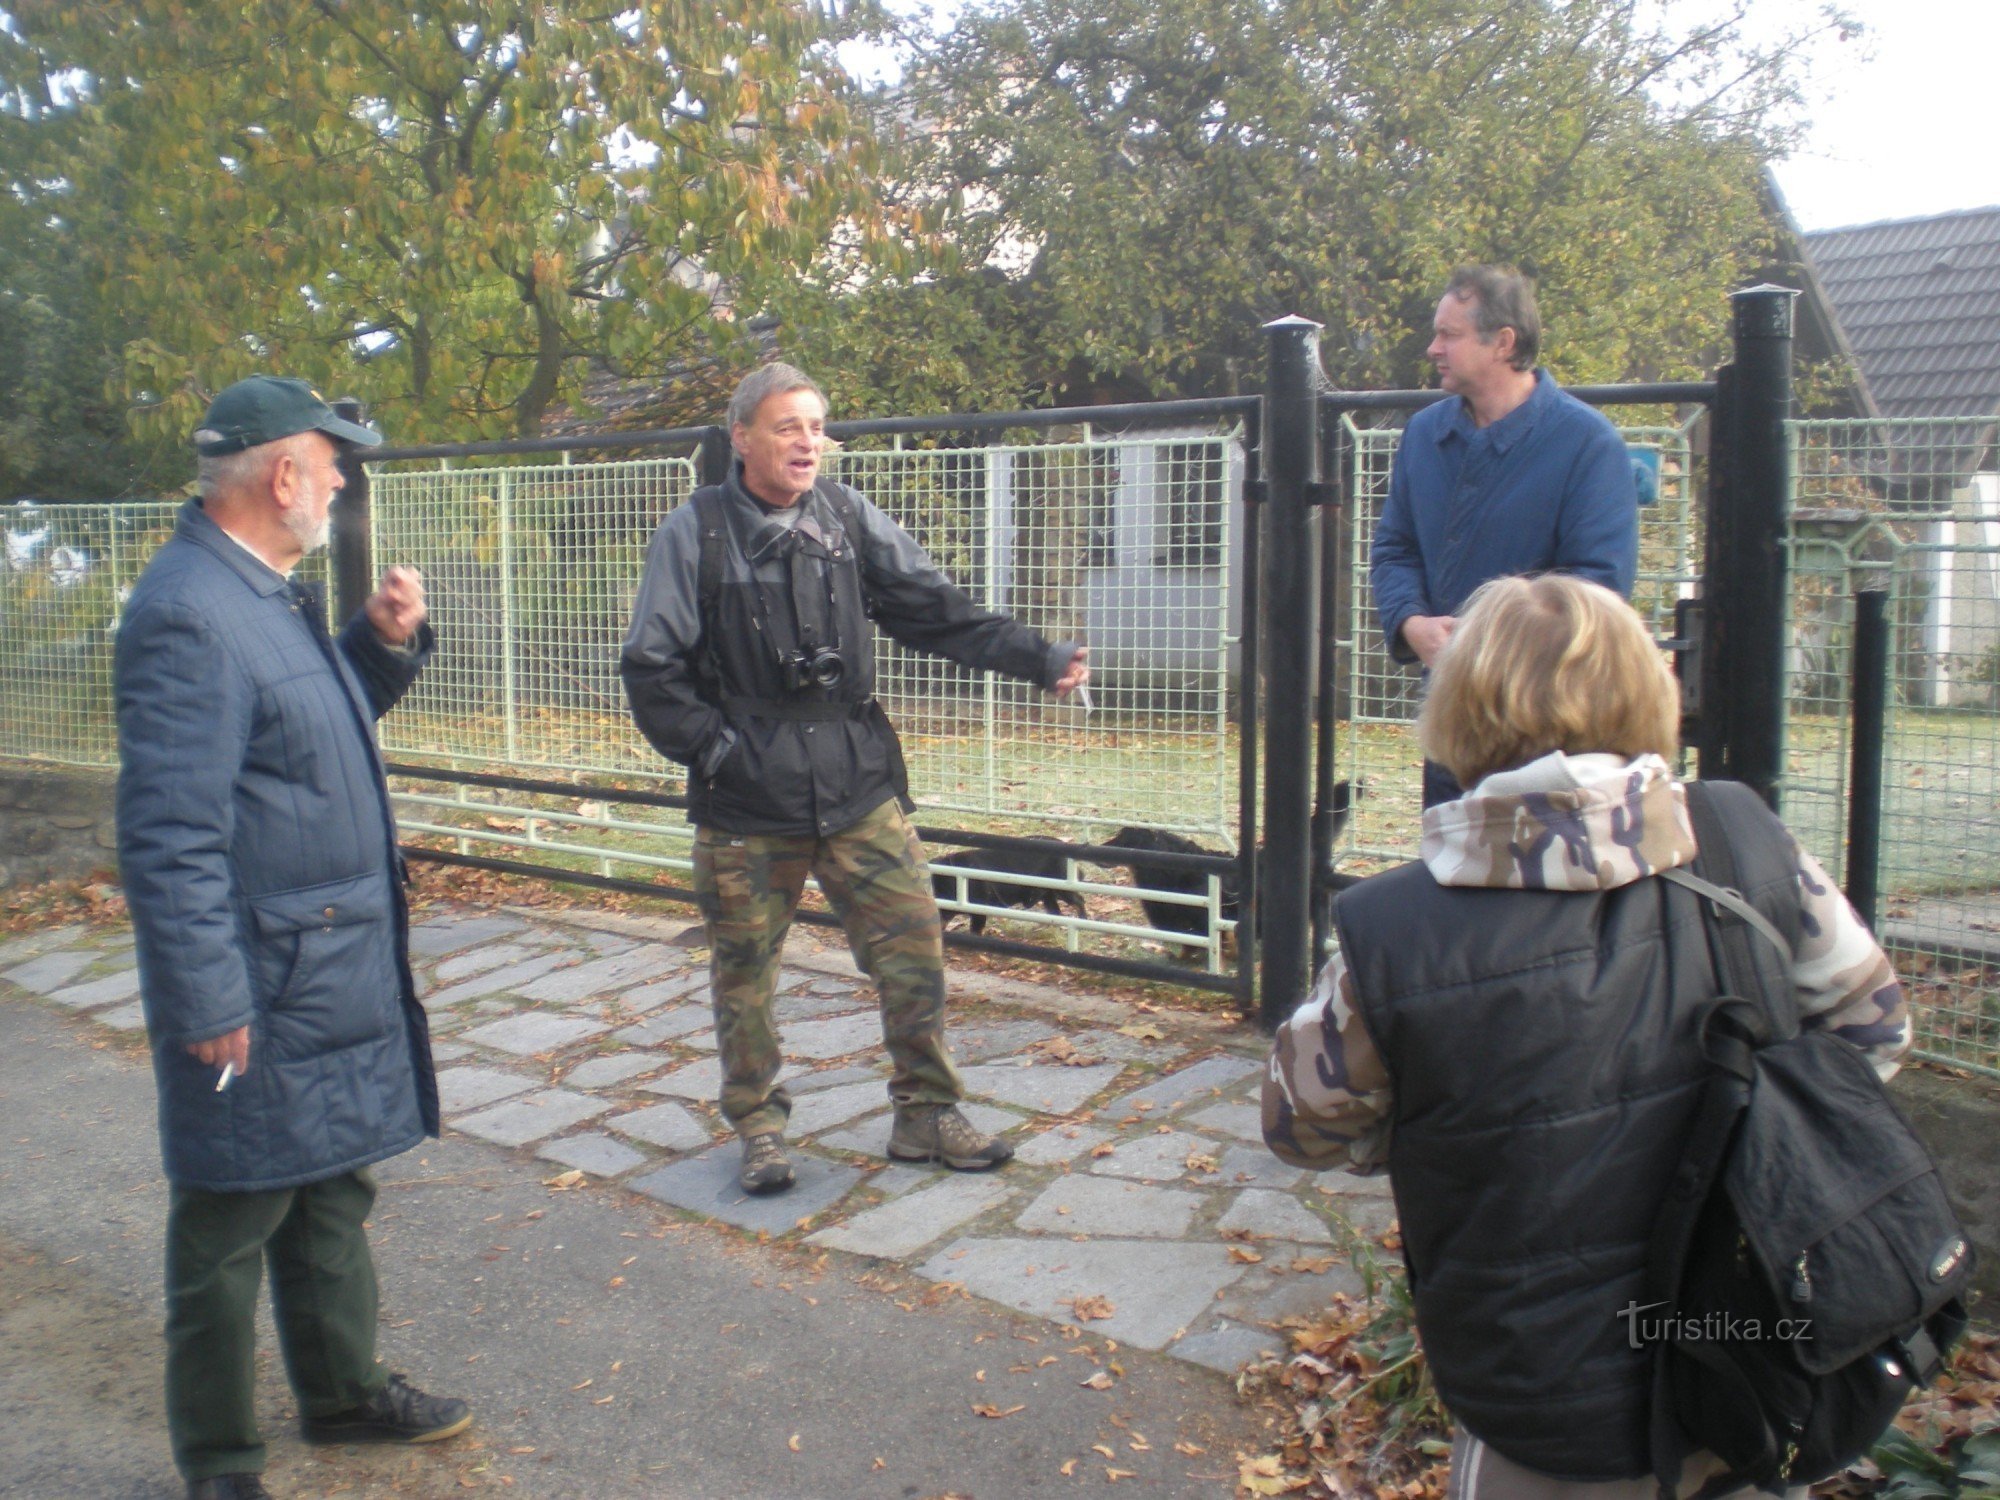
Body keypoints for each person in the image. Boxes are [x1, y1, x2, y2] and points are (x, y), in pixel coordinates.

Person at [1262, 574, 1909, 1500]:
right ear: (1648, 690)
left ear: (1461, 711)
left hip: (1536, 1384)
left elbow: (1300, 1127)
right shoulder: (1741, 838)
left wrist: (1426, 1132)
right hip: (1753, 1347)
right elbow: (1874, 1031)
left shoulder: (1394, 928)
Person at [116, 377, 470, 1500]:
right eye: (332, 465)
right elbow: (172, 833)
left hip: (318, 967)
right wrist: (207, 997)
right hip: (262, 985)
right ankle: (220, 1465)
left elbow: (298, 739)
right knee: (227, 1225)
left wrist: (374, 649)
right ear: (282, 476)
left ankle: (343, 1394)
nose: (339, 485)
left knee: (327, 1188)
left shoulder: (259, 594)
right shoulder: (188, 611)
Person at [622, 362, 1090, 1195]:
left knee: (915, 948)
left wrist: (1038, 657)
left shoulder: (846, 519)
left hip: (856, 783)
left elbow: (934, 609)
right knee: (745, 974)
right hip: (745, 801)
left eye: (816, 426)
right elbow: (652, 670)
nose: (808, 442)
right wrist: (720, 751)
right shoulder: (695, 532)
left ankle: (927, 1113)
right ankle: (759, 1127)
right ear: (742, 438)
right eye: (786, 426)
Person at [1370, 264, 1640, 807]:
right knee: (1453, 875)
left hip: (1549, 733)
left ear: (1503, 343)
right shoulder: (1424, 435)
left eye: (1449, 334)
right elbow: (1394, 548)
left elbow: (1599, 589)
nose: (1433, 348)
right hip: (1454, 723)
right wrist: (1412, 623)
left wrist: (1490, 647)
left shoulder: (1587, 444)